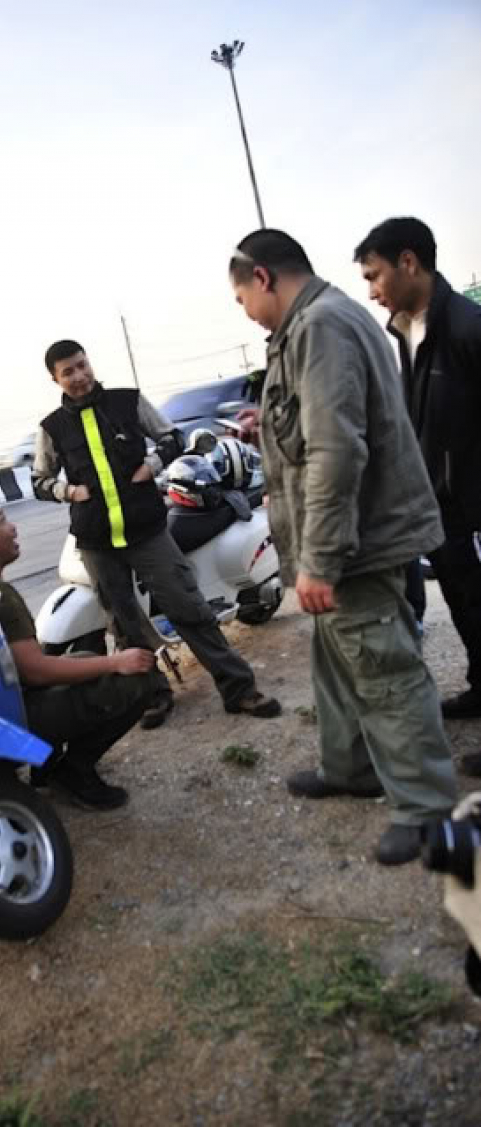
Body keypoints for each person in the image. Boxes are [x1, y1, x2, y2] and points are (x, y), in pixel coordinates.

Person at [230, 228, 457, 866]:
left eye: (242, 297)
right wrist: (263, 431)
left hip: (356, 544)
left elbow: (337, 450)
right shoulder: (309, 327)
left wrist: (320, 560)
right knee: (338, 666)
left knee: (385, 672)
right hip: (338, 541)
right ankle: (352, 767)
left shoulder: (321, 327)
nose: (244, 311)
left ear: (263, 278)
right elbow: (313, 431)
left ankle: (426, 809)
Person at [31, 340, 281, 726]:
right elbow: (39, 480)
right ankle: (152, 695)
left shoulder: (127, 401)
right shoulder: (52, 427)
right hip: (97, 541)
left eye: (82, 365)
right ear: (55, 378)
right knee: (125, 625)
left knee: (188, 607)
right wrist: (69, 491)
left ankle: (238, 688)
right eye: (68, 372)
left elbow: (171, 438)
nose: (79, 376)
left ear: (89, 363)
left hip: (147, 529)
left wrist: (152, 463)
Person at [0, 491, 164, 810]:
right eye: (2, 521)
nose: (14, 528)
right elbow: (35, 671)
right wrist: (116, 661)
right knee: (138, 679)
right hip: (17, 714)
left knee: (88, 659)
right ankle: (73, 773)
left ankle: (46, 765)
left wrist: (102, 663)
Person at [354, 217, 481, 728]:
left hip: (473, 505)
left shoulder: (468, 328)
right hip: (441, 507)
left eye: (374, 275)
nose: (371, 290)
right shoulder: (407, 333)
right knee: (467, 607)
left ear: (409, 262)